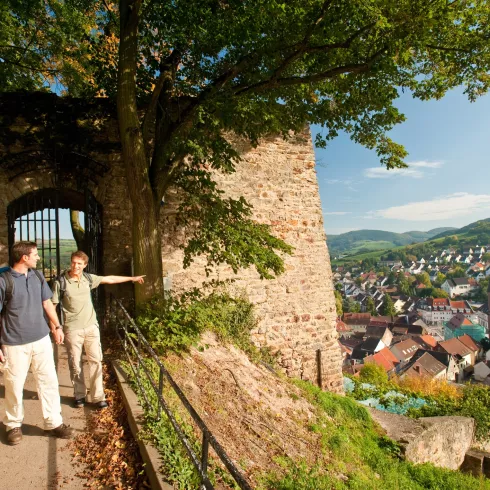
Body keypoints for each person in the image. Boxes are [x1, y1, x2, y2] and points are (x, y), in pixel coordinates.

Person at [0, 241, 73, 445]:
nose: (38, 257)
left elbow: (47, 302)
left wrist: (56, 326)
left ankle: (54, 422)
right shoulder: (4, 281)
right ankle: (13, 425)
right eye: (35, 254)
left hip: (41, 340)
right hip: (14, 343)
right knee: (14, 385)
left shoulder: (37, 276)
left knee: (48, 381)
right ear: (24, 257)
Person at [52, 250, 145, 409]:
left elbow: (109, 279)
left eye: (79, 263)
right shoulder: (61, 282)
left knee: (96, 360)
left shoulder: (88, 278)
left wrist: (132, 278)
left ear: (85, 265)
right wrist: (56, 328)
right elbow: (52, 305)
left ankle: (97, 396)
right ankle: (79, 394)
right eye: (74, 262)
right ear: (71, 262)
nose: (76, 266)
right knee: (75, 363)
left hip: (91, 327)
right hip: (72, 329)